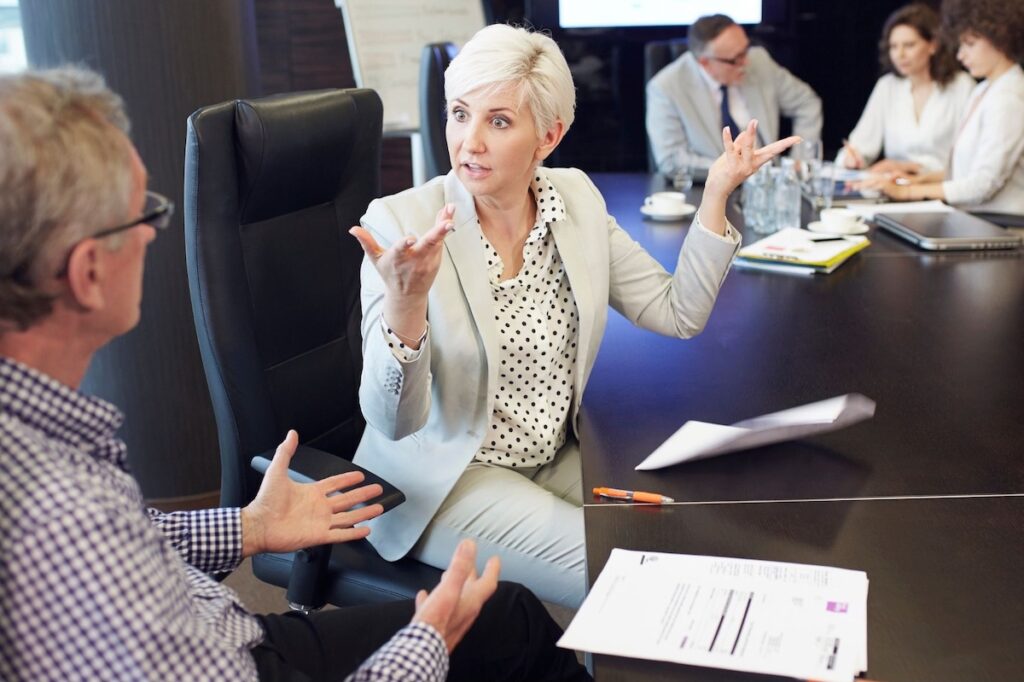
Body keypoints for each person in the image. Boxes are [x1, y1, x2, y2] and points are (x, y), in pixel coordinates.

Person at [0, 67, 591, 682]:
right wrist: (426, 644)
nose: (153, 234)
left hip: (216, 622)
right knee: (500, 629)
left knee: (508, 617)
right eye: (142, 215)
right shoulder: (57, 511)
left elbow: (114, 549)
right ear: (88, 271)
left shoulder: (44, 446)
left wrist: (248, 526)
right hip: (234, 659)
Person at [349, 24, 799, 609]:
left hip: (553, 455)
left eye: (499, 121)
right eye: (459, 114)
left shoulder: (576, 200)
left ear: (549, 135)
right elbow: (393, 421)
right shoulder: (397, 223)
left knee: (688, 537)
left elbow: (677, 312)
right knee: (630, 577)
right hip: (447, 477)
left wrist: (716, 194)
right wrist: (406, 305)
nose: (470, 142)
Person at [866, 0, 1024, 213]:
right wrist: (916, 181)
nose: (961, 55)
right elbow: (964, 174)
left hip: (1002, 225)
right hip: (976, 219)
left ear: (1000, 39)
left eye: (970, 44)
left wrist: (909, 192)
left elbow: (983, 184)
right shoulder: (984, 89)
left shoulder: (1009, 97)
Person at [645, 13, 821, 178]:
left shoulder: (758, 60)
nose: (746, 62)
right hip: (711, 190)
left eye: (746, 49)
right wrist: (736, 171)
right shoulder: (666, 87)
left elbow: (807, 103)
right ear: (705, 62)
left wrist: (799, 162)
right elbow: (671, 160)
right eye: (736, 59)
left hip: (770, 183)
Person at [837, 3, 975, 175]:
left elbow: (970, 162)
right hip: (894, 191)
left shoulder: (961, 86)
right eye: (894, 47)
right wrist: (852, 159)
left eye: (909, 45)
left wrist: (910, 168)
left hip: (943, 191)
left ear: (933, 45)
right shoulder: (887, 86)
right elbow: (859, 145)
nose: (900, 55)